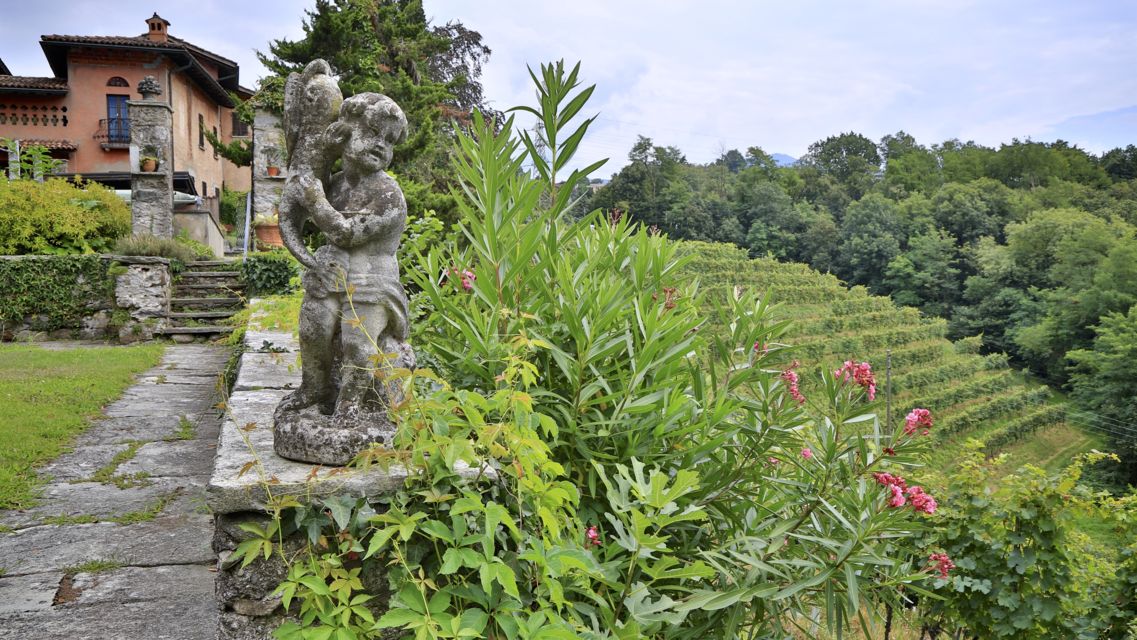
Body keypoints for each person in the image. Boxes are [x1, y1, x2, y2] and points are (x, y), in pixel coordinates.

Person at [279, 92, 413, 417]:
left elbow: (345, 233)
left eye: (390, 140)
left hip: (373, 284)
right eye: (373, 132)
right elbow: (296, 219)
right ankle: (314, 388)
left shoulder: (388, 194)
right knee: (313, 327)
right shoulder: (334, 184)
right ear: (345, 131)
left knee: (358, 342)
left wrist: (312, 196)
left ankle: (350, 407)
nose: (381, 145)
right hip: (332, 275)